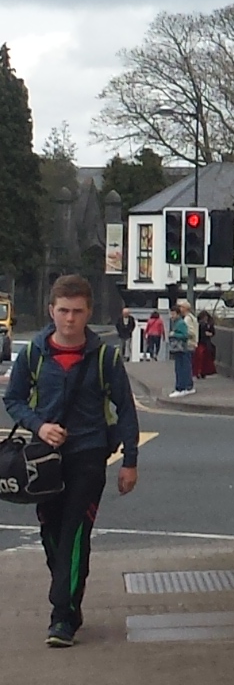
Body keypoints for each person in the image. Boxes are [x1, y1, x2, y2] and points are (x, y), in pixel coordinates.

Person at [5, 274, 139, 646]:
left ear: (88, 313)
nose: (69, 319)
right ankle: (69, 601)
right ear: (52, 311)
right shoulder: (33, 352)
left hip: (90, 455)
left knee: (75, 533)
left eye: (77, 312)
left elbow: (125, 410)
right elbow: (13, 399)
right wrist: (39, 425)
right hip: (43, 460)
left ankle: (61, 616)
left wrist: (130, 460)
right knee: (51, 533)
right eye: (63, 311)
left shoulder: (105, 356)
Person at [168, 297, 198, 396]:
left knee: (183, 368)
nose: (171, 315)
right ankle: (184, 387)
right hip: (183, 347)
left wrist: (174, 334)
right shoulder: (185, 319)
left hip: (183, 347)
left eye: (173, 313)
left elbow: (186, 334)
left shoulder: (185, 320)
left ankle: (183, 387)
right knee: (183, 367)